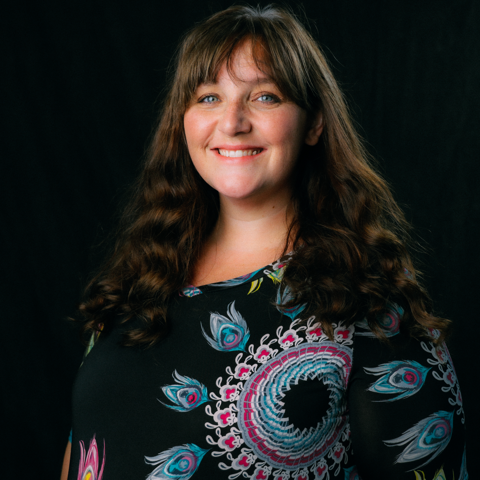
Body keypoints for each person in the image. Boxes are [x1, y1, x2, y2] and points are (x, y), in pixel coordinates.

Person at [61, 5, 467, 480]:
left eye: (266, 97)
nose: (232, 122)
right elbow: (82, 446)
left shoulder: (369, 298)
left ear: (314, 123)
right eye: (209, 97)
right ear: (183, 121)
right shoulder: (137, 281)